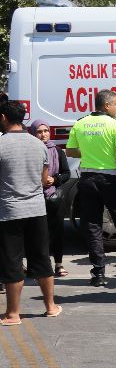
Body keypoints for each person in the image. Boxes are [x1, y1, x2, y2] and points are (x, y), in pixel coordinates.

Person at [66, 89, 116, 287]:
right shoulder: (115, 124)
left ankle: (98, 273)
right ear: (106, 105)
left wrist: (89, 150)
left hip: (88, 179)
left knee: (92, 227)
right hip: (110, 180)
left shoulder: (80, 123)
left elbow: (70, 150)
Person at [0, 98, 60, 323]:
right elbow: (44, 179)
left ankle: (13, 313)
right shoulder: (39, 145)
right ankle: (51, 307)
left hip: (9, 212)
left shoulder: (1, 144)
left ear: (4, 118)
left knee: (12, 261)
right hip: (37, 209)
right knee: (42, 258)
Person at [27, 120, 70, 277]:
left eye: (46, 131)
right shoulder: (29, 151)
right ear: (33, 133)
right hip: (34, 196)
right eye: (39, 131)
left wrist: (55, 179)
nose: (43, 134)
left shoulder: (57, 151)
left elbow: (66, 173)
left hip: (53, 197)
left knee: (57, 232)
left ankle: (58, 264)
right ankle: (36, 266)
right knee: (36, 233)